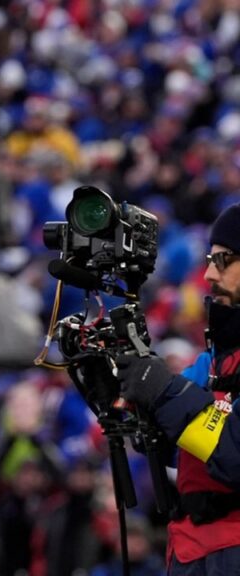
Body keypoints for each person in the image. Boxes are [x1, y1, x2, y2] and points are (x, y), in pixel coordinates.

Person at [114, 203, 240, 574]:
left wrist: (162, 391)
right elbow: (171, 444)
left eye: (223, 260)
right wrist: (120, 391)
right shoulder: (216, 357)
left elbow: (233, 456)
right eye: (208, 260)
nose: (207, 274)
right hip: (190, 549)